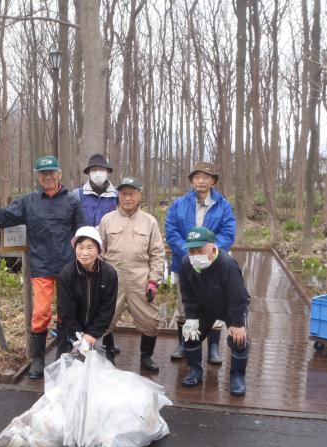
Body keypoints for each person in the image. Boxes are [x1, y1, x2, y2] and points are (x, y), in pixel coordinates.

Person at [0, 155, 86, 380]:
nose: (48, 177)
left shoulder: (72, 201)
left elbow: (82, 231)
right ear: (38, 176)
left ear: (60, 174)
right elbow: (4, 217)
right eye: (43, 174)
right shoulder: (28, 202)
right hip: (42, 265)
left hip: (68, 267)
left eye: (52, 173)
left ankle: (62, 354)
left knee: (67, 312)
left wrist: (87, 257)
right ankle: (37, 358)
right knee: (41, 313)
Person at [165, 161, 236, 364]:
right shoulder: (179, 204)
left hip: (213, 265)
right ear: (191, 181)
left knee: (216, 305)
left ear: (213, 181)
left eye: (205, 177)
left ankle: (213, 347)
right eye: (197, 177)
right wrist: (189, 254)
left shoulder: (223, 205)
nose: (201, 180)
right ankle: (184, 344)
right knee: (184, 305)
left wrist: (208, 253)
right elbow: (171, 231)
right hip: (184, 263)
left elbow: (228, 233)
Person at [98, 177, 165, 371]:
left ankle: (146, 356)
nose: (128, 198)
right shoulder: (107, 220)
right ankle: (108, 351)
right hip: (112, 277)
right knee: (106, 318)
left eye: (132, 194)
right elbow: (98, 252)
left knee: (151, 321)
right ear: (118, 196)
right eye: (124, 194)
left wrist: (154, 281)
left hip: (140, 277)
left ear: (139, 195)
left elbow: (157, 253)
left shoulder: (149, 221)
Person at [178, 226, 250, 396]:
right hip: (204, 306)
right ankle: (195, 371)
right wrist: (191, 318)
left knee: (239, 340)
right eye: (192, 251)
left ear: (212, 246)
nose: (195, 255)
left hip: (230, 308)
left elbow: (238, 296)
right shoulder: (186, 264)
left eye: (200, 250)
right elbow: (187, 294)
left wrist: (237, 323)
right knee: (189, 336)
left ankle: (237, 376)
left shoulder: (227, 264)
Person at [56, 226, 118, 357]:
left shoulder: (109, 274)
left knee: (99, 364)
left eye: (90, 247)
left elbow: (107, 308)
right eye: (80, 247)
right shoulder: (66, 275)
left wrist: (92, 334)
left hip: (97, 330)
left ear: (98, 250)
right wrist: (78, 336)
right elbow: (65, 311)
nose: (84, 252)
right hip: (71, 330)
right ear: (75, 249)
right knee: (68, 366)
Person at [73, 153, 118, 227]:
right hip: (86, 238)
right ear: (89, 173)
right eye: (94, 170)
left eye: (101, 169)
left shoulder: (116, 195)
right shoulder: (77, 195)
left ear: (107, 172)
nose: (98, 173)